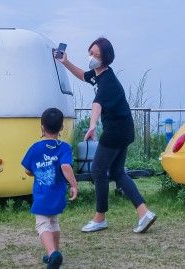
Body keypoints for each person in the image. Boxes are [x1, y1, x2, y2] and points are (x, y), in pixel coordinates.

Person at [58, 37, 157, 234]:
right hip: (125, 129)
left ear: (105, 58)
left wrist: (93, 124)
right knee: (117, 172)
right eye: (90, 53)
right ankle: (144, 213)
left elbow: (97, 103)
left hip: (116, 131)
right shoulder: (98, 74)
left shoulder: (108, 82)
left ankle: (100, 217)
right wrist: (66, 62)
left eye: (96, 55)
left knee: (97, 170)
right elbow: (84, 76)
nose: (91, 57)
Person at [21, 107, 78, 269]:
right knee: (53, 221)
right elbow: (65, 165)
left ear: (42, 127)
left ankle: (53, 254)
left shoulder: (35, 148)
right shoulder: (64, 147)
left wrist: (36, 171)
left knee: (42, 224)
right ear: (61, 127)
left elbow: (27, 170)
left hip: (42, 195)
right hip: (58, 194)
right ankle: (55, 252)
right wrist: (73, 184)